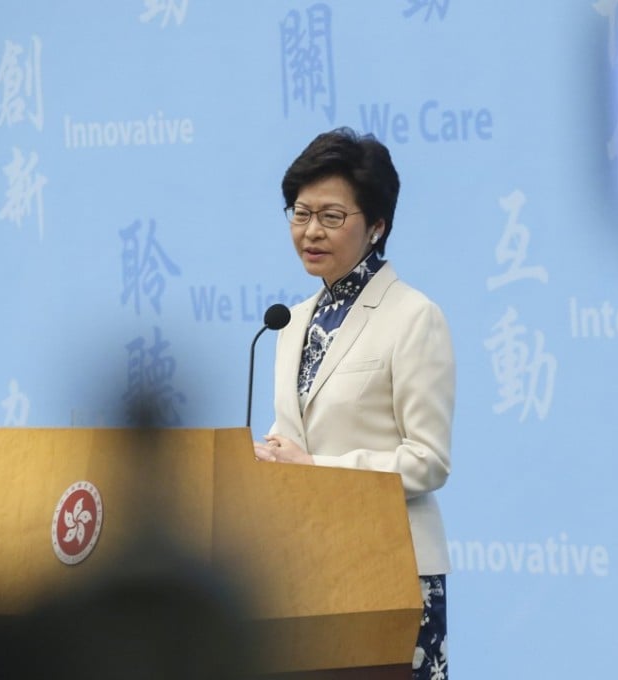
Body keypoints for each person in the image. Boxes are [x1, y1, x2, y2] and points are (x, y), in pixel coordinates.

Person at [253, 127, 455, 679]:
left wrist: (315, 470)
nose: (311, 231)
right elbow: (296, 438)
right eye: (300, 213)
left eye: (332, 217)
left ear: (377, 225)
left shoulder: (413, 318)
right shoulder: (289, 322)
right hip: (310, 572)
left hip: (394, 573)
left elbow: (428, 460)